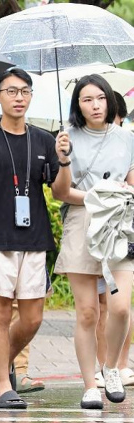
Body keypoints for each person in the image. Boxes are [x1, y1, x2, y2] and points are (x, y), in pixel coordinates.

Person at [0, 68, 72, 409]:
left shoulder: (44, 139)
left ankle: (2, 365)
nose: (18, 97)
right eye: (11, 91)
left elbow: (59, 192)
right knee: (0, 313)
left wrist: (64, 159)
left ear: (31, 97)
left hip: (35, 238)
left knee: (32, 318)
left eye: (24, 91)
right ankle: (2, 384)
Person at [53, 75, 134, 409]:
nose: (96, 105)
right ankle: (90, 384)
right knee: (87, 312)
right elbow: (60, 192)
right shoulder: (66, 138)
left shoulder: (127, 138)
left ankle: (112, 367)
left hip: (118, 225)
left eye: (100, 98)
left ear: (109, 101)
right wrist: (63, 159)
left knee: (120, 306)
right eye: (87, 99)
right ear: (78, 105)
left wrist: (121, 194)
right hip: (82, 221)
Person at [94, 92, 134, 389]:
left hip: (122, 231)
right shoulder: (85, 142)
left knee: (119, 305)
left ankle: (119, 363)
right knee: (97, 308)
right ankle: (105, 366)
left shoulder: (127, 143)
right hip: (93, 230)